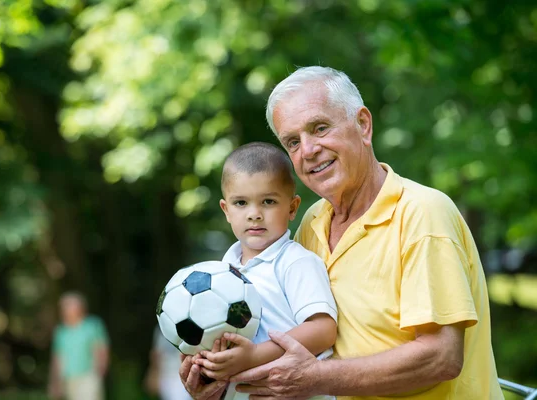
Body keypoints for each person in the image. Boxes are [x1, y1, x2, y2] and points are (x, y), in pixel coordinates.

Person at [180, 66, 504, 399]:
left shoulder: (422, 213)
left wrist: (316, 378)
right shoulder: (312, 223)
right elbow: (287, 340)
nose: (308, 150)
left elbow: (441, 358)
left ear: (363, 125)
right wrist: (221, 378)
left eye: (319, 128)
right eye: (292, 141)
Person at [190, 142, 338, 400]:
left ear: (292, 208)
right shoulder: (219, 275)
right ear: (226, 210)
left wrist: (256, 356)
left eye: (268, 201)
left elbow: (323, 329)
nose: (254, 214)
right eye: (241, 203)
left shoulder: (295, 262)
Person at [48, 292, 109, 400]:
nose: (66, 309)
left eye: (69, 305)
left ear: (80, 307)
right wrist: (55, 381)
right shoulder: (61, 331)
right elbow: (58, 357)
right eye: (64, 306)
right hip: (69, 378)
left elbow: (101, 348)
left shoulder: (93, 325)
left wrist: (101, 368)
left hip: (89, 375)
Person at [143, 326, 192, 400]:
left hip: (185, 375)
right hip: (166, 378)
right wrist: (153, 374)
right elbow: (156, 354)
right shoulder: (160, 328)